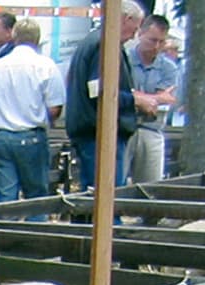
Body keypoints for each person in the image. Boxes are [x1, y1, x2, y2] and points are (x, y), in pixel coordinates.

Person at [0, 17, 61, 208]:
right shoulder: (46, 66)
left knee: (4, 199)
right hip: (31, 136)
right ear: (37, 39)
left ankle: (6, 234)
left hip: (0, 137)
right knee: (37, 198)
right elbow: (54, 108)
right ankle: (36, 234)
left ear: (14, 37)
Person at [65, 0, 142, 190]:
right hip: (99, 133)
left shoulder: (95, 41)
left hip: (91, 130)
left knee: (89, 195)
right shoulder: (104, 45)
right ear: (125, 19)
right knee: (105, 192)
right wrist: (135, 100)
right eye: (135, 27)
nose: (135, 34)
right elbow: (99, 91)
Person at [124, 14, 178, 184]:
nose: (156, 46)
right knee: (116, 183)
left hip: (152, 129)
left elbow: (167, 99)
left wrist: (137, 97)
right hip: (124, 130)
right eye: (152, 40)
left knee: (150, 186)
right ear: (140, 34)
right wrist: (153, 99)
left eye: (161, 42)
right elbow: (120, 93)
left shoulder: (169, 68)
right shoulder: (124, 59)